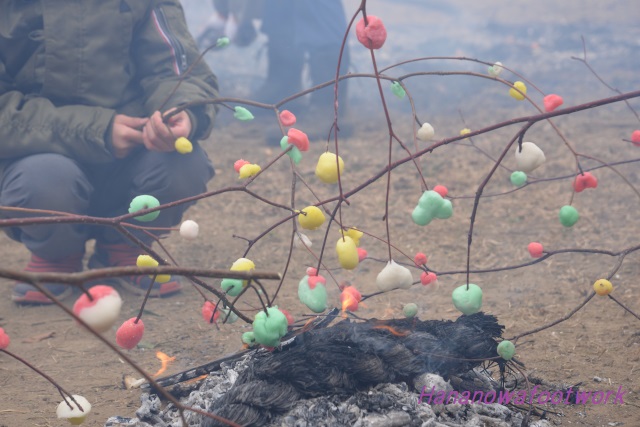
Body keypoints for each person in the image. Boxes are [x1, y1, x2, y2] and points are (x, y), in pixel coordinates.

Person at [0, 0, 219, 304]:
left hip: (133, 156)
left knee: (184, 164)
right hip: (35, 160)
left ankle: (125, 247)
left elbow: (178, 70)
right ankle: (57, 256)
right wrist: (97, 130)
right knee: (45, 180)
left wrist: (181, 111)